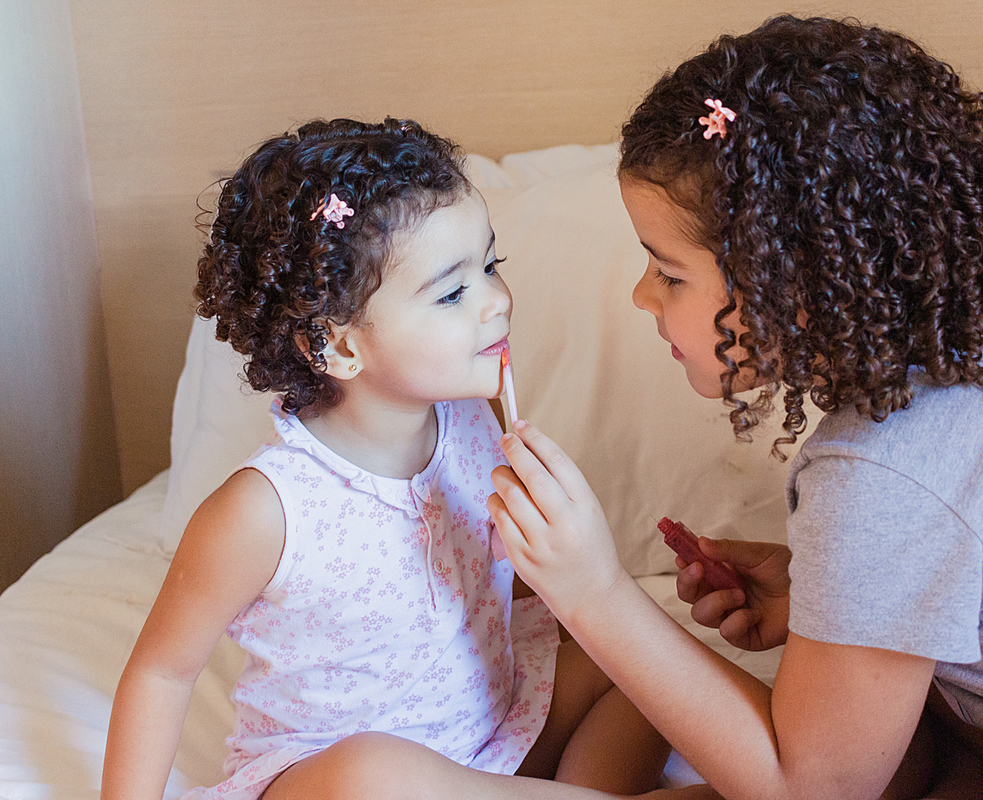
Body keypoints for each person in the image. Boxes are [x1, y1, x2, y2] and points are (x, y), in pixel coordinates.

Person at [488, 15, 983, 800]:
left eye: (670, 272)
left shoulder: (886, 474)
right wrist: (833, 594)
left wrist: (592, 591)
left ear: (792, 289)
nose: (642, 295)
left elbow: (813, 791)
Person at [100, 118, 692, 800]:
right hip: (340, 783)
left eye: (491, 267)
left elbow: (509, 590)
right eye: (452, 293)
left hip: (492, 741)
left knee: (646, 662)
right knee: (373, 772)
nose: (497, 301)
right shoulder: (263, 509)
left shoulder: (475, 419)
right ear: (338, 346)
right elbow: (161, 674)